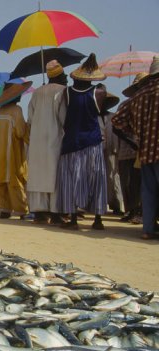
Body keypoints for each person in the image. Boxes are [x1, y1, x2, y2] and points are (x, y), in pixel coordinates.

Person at [56, 53, 108, 230]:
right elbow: (98, 112)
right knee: (96, 179)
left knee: (72, 181)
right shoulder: (99, 92)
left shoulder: (67, 92)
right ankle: (98, 219)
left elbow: (62, 117)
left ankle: (73, 219)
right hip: (92, 141)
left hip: (71, 141)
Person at [112, 56, 159, 239]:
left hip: (145, 151)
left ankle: (147, 229)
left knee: (148, 192)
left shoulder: (137, 96)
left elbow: (117, 121)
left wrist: (136, 134)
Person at [26, 60, 68, 224]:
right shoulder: (62, 91)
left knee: (38, 175)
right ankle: (55, 212)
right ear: (61, 76)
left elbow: (30, 117)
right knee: (54, 175)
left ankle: (39, 212)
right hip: (55, 138)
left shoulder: (36, 92)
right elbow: (63, 117)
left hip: (36, 141)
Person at [0, 81, 31, 219]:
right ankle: (21, 210)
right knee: (14, 181)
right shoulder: (16, 110)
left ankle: (5, 209)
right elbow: (20, 132)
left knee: (0, 181)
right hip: (10, 151)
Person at [114, 73, 147, 224]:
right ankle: (131, 211)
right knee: (128, 183)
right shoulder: (126, 105)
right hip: (128, 150)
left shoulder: (146, 104)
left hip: (140, 150)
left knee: (138, 183)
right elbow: (116, 128)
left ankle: (138, 211)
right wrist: (131, 141)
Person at [96, 85, 124, 216]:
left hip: (112, 151)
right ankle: (96, 205)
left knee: (113, 177)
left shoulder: (113, 117)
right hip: (96, 151)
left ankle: (116, 204)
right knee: (96, 177)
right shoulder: (91, 117)